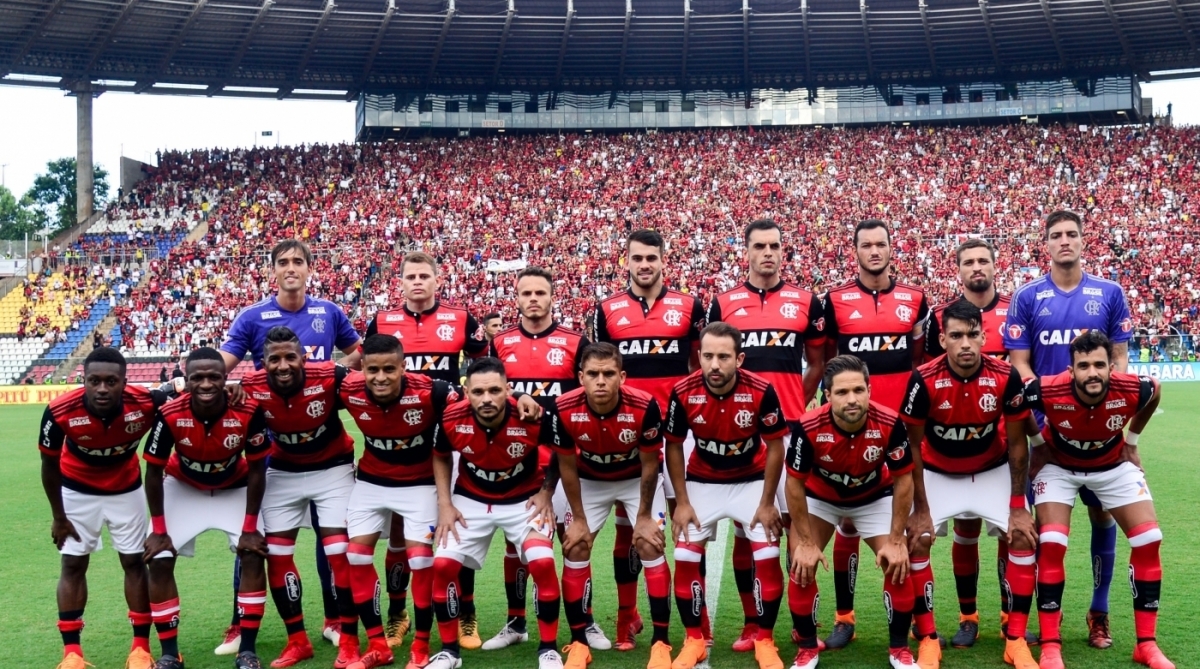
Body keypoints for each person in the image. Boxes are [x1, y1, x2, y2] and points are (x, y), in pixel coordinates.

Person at [217, 239, 363, 654]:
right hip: (277, 453)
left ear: (310, 268)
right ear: (272, 271)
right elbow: (222, 366)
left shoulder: (329, 312)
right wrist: (233, 388)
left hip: (327, 449)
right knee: (257, 540)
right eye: (283, 262)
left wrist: (326, 376)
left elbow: (359, 355)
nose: (291, 267)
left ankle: (335, 618)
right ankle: (237, 622)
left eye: (299, 261)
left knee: (330, 540)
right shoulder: (252, 317)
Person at [1003, 210, 1134, 649]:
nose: (1064, 241)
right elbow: (1020, 364)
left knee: (1102, 515)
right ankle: (1048, 617)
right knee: (1048, 529)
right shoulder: (1027, 296)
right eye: (1056, 235)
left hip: (1098, 432)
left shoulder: (1109, 293)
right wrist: (1042, 421)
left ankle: (1099, 612)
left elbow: (1119, 361)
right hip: (1047, 438)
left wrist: (1113, 420)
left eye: (1071, 234)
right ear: (1046, 243)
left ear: (1083, 241)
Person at [706, 219, 827, 651]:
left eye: (775, 246)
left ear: (783, 251)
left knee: (798, 525)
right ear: (747, 252)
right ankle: (754, 623)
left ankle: (801, 622)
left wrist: (795, 401)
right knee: (747, 528)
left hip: (791, 429)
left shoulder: (806, 302)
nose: (768, 253)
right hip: (743, 433)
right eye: (760, 246)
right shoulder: (723, 303)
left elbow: (817, 362)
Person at [899, 300, 1039, 669]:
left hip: (989, 470)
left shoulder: (1005, 376)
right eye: (956, 336)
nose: (965, 344)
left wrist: (1017, 506)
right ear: (942, 338)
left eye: (972, 335)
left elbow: (1018, 444)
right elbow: (912, 446)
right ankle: (928, 638)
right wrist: (921, 509)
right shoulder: (923, 379)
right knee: (917, 540)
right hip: (938, 471)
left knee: (1023, 536)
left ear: (983, 336)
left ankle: (1016, 640)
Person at [1021, 331, 1171, 669]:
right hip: (1058, 465)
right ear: (1071, 370)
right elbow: (1017, 400)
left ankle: (1145, 645)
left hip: (1111, 463)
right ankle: (1050, 646)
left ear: (1111, 367)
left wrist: (1131, 440)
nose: (1093, 373)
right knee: (1053, 541)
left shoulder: (1133, 387)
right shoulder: (1048, 388)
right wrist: (1038, 443)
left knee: (1149, 538)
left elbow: (1156, 390)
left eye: (1099, 365)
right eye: (1084, 366)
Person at [365, 251, 490, 650]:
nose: (417, 282)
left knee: (457, 528)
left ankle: (465, 614)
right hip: (400, 440)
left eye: (424, 276)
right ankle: (398, 615)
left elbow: (484, 365)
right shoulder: (382, 322)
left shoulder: (461, 319)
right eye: (410, 276)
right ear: (399, 282)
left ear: (438, 280)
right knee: (400, 535)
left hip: (449, 440)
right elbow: (367, 371)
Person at [592, 228, 705, 648]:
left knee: (689, 522)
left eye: (651, 258)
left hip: (678, 434)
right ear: (627, 261)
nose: (644, 265)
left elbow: (699, 364)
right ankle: (627, 615)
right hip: (629, 435)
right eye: (636, 258)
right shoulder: (608, 310)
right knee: (628, 530)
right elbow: (601, 367)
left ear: (663, 260)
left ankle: (700, 617)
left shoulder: (690, 306)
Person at [819, 219, 929, 648]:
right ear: (856, 251)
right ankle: (844, 617)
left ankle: (918, 618)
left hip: (897, 428)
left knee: (906, 528)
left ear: (890, 248)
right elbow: (830, 358)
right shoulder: (835, 300)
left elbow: (917, 355)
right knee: (847, 521)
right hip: (849, 425)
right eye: (866, 245)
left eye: (881, 244)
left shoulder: (915, 300)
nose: (874, 251)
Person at [922, 238, 1035, 647]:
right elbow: (930, 370)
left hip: (1003, 447)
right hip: (951, 445)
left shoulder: (1016, 311)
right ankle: (968, 616)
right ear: (958, 269)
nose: (976, 267)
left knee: (1013, 534)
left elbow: (1025, 367)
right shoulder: (941, 316)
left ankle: (1011, 617)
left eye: (982, 260)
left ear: (994, 265)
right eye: (968, 261)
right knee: (965, 534)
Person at [486, 267, 605, 651]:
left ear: (553, 297)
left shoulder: (575, 342)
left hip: (566, 462)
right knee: (514, 547)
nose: (534, 299)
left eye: (541, 293)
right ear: (516, 298)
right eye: (527, 293)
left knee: (573, 543)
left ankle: (583, 623)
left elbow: (588, 395)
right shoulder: (500, 343)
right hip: (515, 461)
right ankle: (516, 621)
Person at [427, 357, 570, 669]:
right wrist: (445, 504)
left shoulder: (532, 415)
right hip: (471, 500)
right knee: (442, 565)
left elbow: (562, 448)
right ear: (467, 392)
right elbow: (440, 456)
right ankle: (449, 652)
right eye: (478, 392)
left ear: (509, 390)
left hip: (524, 501)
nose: (487, 398)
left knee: (542, 561)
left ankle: (548, 648)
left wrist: (547, 491)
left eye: (495, 390)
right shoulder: (451, 417)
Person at [662, 322, 789, 669]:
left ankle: (764, 638)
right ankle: (693, 640)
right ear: (698, 357)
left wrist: (766, 502)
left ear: (740, 359)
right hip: (703, 482)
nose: (714, 365)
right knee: (686, 555)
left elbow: (776, 446)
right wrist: (683, 502)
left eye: (723, 357)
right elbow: (673, 446)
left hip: (750, 481)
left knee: (768, 550)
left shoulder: (761, 390)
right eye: (707, 356)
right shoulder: (683, 391)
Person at [39, 348, 173, 669]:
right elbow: (48, 465)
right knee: (73, 565)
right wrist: (58, 517)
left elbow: (180, 397)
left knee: (134, 563)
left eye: (111, 381)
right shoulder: (59, 411)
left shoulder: (144, 403)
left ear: (125, 382)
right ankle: (72, 654)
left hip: (126, 489)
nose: (102, 388)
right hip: (76, 490)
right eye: (94, 380)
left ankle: (140, 649)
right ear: (82, 380)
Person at [784, 354, 917, 669]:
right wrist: (804, 541)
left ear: (870, 389)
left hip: (873, 496)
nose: (852, 399)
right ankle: (806, 651)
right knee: (800, 565)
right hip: (822, 498)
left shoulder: (889, 422)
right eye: (842, 392)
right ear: (827, 396)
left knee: (897, 562)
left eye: (859, 390)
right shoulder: (808, 426)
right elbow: (793, 486)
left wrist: (897, 539)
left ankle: (900, 650)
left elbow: (903, 480)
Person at [142, 347, 270, 669]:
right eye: (197, 377)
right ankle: (170, 654)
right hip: (183, 486)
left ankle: (248, 651)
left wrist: (250, 526)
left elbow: (257, 469)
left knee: (255, 554)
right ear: (186, 379)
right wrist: (158, 531)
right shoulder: (171, 412)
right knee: (157, 559)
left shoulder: (248, 410)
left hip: (234, 487)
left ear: (226, 378)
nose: (206, 384)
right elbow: (153, 471)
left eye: (214, 377)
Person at [238, 327, 359, 668]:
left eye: (290, 357)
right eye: (274, 359)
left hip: (333, 469)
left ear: (305, 358)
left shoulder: (332, 375)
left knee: (339, 552)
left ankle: (349, 641)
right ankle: (298, 641)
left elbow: (370, 401)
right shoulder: (250, 387)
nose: (283, 365)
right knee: (276, 555)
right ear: (262, 363)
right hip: (282, 471)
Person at [339, 334, 460, 669]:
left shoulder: (432, 391)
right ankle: (378, 644)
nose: (380, 377)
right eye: (373, 369)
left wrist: (522, 397)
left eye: (389, 369)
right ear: (362, 368)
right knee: (356, 556)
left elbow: (477, 402)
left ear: (403, 367)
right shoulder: (347, 388)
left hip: (419, 484)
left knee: (421, 561)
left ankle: (420, 646)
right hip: (371, 481)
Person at [550, 343, 670, 669]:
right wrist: (577, 519)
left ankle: (661, 642)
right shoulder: (563, 408)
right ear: (580, 378)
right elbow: (567, 468)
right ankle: (578, 642)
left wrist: (644, 517)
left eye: (608, 374)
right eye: (593, 374)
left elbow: (650, 465)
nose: (600, 381)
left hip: (635, 480)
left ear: (622, 377)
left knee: (649, 543)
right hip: (590, 481)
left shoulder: (645, 406)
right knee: (574, 546)